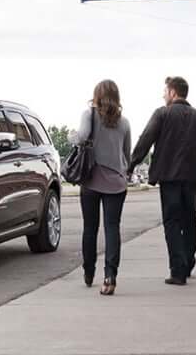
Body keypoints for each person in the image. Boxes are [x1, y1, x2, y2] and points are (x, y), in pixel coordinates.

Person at [127, 76, 196, 286]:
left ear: (173, 93)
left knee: (172, 222)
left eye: (165, 91)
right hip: (192, 179)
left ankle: (177, 270)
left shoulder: (162, 114)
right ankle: (188, 262)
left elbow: (145, 140)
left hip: (169, 178)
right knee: (189, 220)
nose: (163, 95)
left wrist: (130, 166)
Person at [70, 79, 131, 296]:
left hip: (91, 181)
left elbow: (81, 137)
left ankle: (89, 272)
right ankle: (110, 276)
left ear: (96, 95)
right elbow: (127, 154)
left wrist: (71, 136)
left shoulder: (89, 115)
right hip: (116, 183)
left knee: (90, 228)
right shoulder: (124, 122)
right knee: (112, 228)